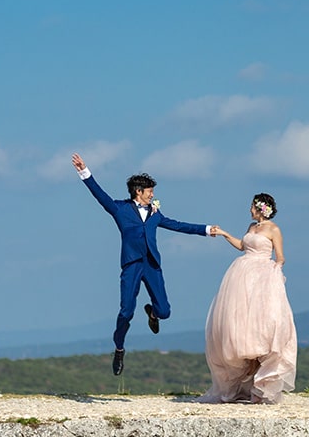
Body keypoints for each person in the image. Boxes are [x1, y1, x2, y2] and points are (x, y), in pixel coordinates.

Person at [71, 152, 218, 376]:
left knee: (165, 311)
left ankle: (152, 313)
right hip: (131, 265)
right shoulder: (120, 209)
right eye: (150, 192)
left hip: (151, 265)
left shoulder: (155, 214)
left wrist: (207, 230)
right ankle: (119, 349)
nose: (152, 195)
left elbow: (178, 225)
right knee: (126, 312)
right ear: (138, 192)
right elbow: (99, 195)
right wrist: (84, 171)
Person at [197, 193, 297, 404]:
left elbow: (280, 257)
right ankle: (243, 385)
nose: (249, 209)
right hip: (242, 273)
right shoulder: (252, 227)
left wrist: (274, 275)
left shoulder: (273, 229)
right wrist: (224, 233)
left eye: (252, 206)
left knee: (263, 328)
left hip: (262, 276)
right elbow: (243, 246)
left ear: (261, 207)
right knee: (240, 328)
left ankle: (262, 388)